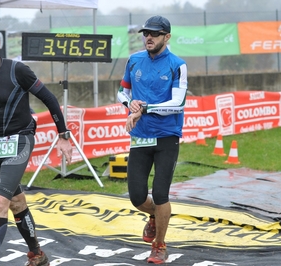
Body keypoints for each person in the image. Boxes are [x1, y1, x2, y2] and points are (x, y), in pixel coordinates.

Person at [0, 26, 73, 266]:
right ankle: (37, 254)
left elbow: (50, 99)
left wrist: (63, 135)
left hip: (20, 140)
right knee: (16, 202)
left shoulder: (17, 70)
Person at [117, 15, 188, 264]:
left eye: (155, 34)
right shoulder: (134, 60)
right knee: (137, 197)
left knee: (160, 194)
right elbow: (121, 92)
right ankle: (157, 217)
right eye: (146, 33)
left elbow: (178, 103)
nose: (149, 37)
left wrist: (143, 109)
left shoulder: (177, 64)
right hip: (140, 138)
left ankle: (159, 245)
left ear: (167, 37)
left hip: (167, 136)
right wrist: (130, 103)